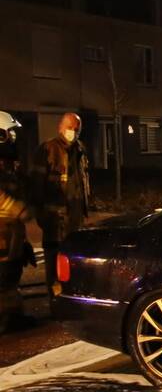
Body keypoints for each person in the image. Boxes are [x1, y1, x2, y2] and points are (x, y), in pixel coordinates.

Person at [31, 112, 89, 297]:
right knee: (53, 261)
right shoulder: (48, 149)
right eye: (70, 128)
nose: (73, 132)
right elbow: (36, 184)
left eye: (76, 129)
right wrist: (41, 214)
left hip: (75, 217)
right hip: (54, 219)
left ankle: (70, 295)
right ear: (60, 128)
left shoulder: (80, 149)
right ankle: (54, 298)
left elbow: (82, 180)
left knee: (72, 260)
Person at [0, 112, 34, 332]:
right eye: (10, 132)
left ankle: (12, 317)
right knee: (4, 278)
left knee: (11, 275)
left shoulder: (7, 163)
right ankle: (7, 320)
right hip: (2, 230)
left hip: (10, 231)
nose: (13, 137)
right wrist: (19, 209)